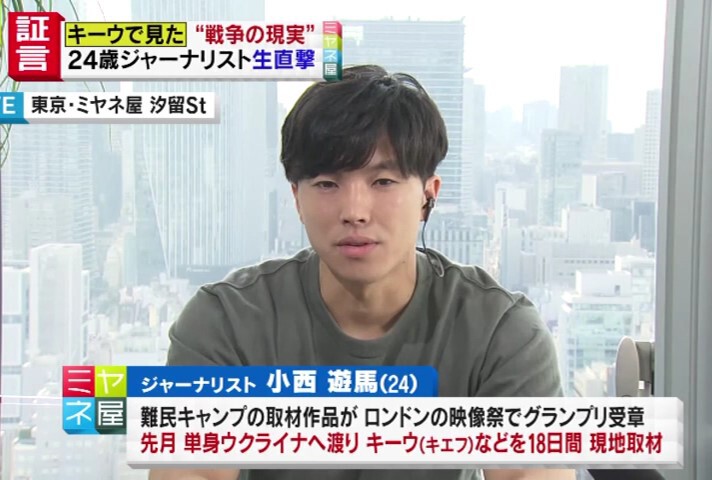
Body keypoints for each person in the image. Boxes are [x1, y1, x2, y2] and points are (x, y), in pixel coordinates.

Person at [149, 65, 574, 480]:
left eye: (383, 181)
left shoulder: (499, 331)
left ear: (427, 196)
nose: (354, 211)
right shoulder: (226, 323)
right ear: (296, 198)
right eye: (327, 184)